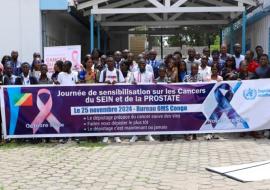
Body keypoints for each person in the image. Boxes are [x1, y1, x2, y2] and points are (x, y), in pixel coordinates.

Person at [99, 56, 124, 143]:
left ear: (114, 62)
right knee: (106, 117)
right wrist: (104, 83)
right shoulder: (103, 72)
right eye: (108, 61)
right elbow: (99, 84)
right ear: (106, 63)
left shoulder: (118, 71)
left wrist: (117, 83)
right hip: (106, 97)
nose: (110, 63)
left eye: (111, 61)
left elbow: (123, 83)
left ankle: (116, 135)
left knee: (116, 117)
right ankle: (106, 135)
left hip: (116, 97)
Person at [130, 58, 155, 143]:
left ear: (146, 64)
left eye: (143, 64)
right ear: (138, 65)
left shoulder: (150, 74)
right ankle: (135, 134)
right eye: (140, 64)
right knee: (136, 117)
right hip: (136, 98)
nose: (142, 65)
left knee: (147, 116)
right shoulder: (134, 74)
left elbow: (153, 86)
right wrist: (132, 84)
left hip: (147, 98)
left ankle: (148, 134)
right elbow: (129, 85)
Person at [183, 63, 203, 141]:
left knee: (196, 117)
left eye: (196, 68)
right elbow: (183, 88)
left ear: (198, 69)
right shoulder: (186, 77)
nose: (194, 70)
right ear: (190, 69)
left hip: (197, 100)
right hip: (189, 100)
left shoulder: (200, 77)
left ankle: (195, 134)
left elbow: (203, 87)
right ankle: (188, 133)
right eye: (193, 68)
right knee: (189, 117)